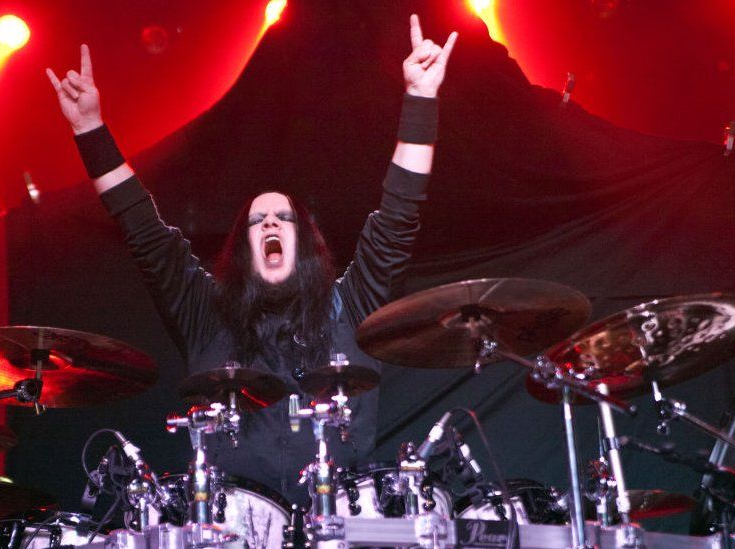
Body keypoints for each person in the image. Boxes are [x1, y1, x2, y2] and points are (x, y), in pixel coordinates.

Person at [47, 15, 457, 506]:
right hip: (230, 525)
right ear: (243, 248)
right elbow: (146, 234)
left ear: (307, 244)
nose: (269, 224)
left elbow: (398, 216)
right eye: (257, 220)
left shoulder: (351, 307)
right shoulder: (207, 315)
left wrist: (421, 98)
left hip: (341, 520)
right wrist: (89, 129)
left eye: (284, 218)